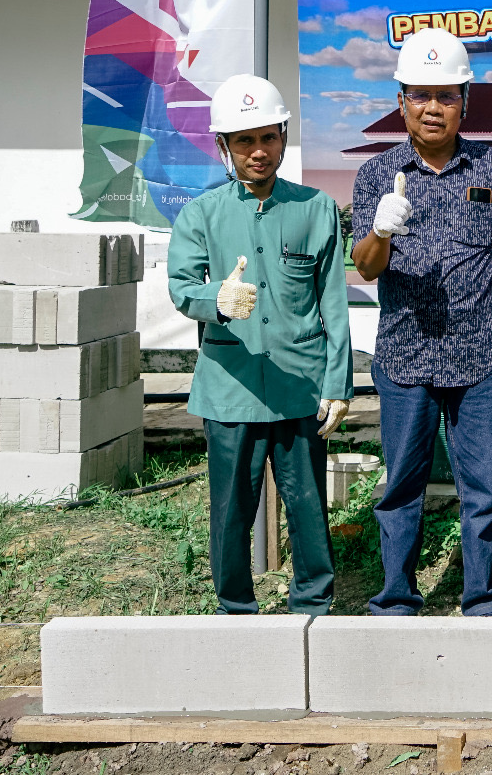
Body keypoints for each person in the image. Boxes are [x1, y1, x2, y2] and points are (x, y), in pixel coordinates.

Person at [350, 27, 492, 617]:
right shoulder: (377, 176)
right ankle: (396, 598)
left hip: (482, 354)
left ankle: (483, 598)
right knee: (401, 485)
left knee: (482, 487)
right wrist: (381, 230)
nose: (433, 108)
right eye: (420, 95)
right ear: (402, 99)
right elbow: (363, 267)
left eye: (447, 96)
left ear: (465, 100)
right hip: (406, 357)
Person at [168, 73, 353, 616]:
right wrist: (217, 299)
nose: (259, 151)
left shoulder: (316, 208)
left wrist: (337, 384)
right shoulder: (201, 214)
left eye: (268, 137)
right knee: (230, 509)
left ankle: (314, 605)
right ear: (224, 147)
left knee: (308, 505)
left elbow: (334, 303)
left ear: (283, 138)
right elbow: (182, 288)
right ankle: (235, 608)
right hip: (231, 387)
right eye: (244, 140)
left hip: (301, 385)